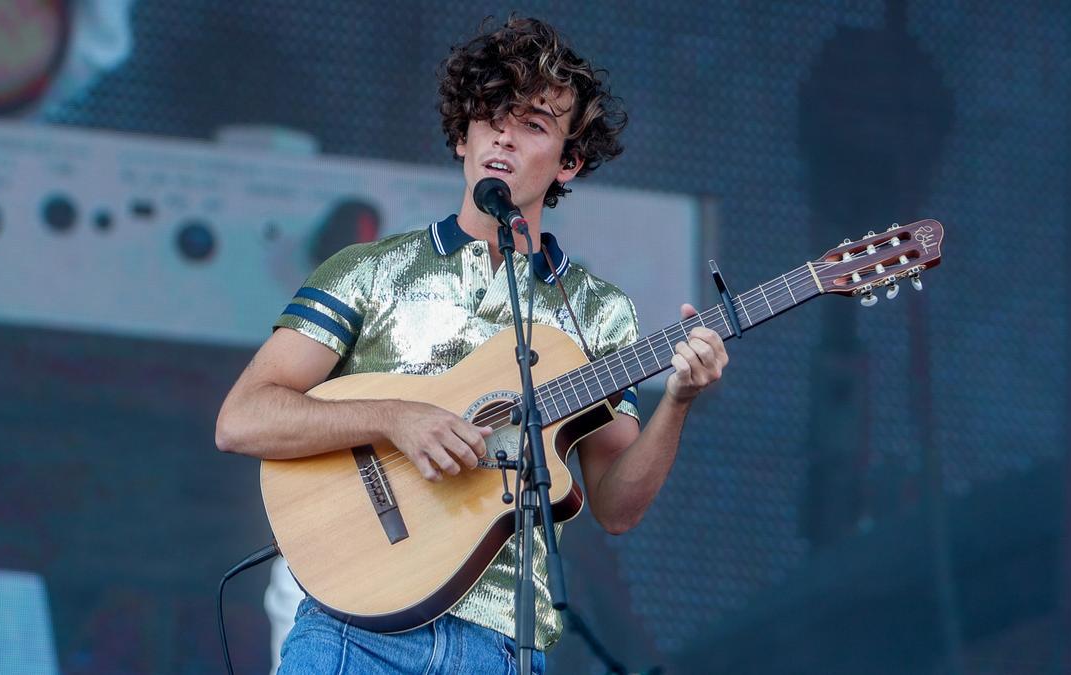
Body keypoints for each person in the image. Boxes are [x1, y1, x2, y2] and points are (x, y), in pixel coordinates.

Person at [215, 16, 729, 675]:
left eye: (534, 125)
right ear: (463, 134)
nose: (505, 139)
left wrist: (679, 400)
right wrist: (393, 416)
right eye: (490, 117)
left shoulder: (599, 313)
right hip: (349, 629)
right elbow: (242, 418)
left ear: (569, 160)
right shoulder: (368, 269)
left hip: (501, 645)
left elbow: (616, 504)